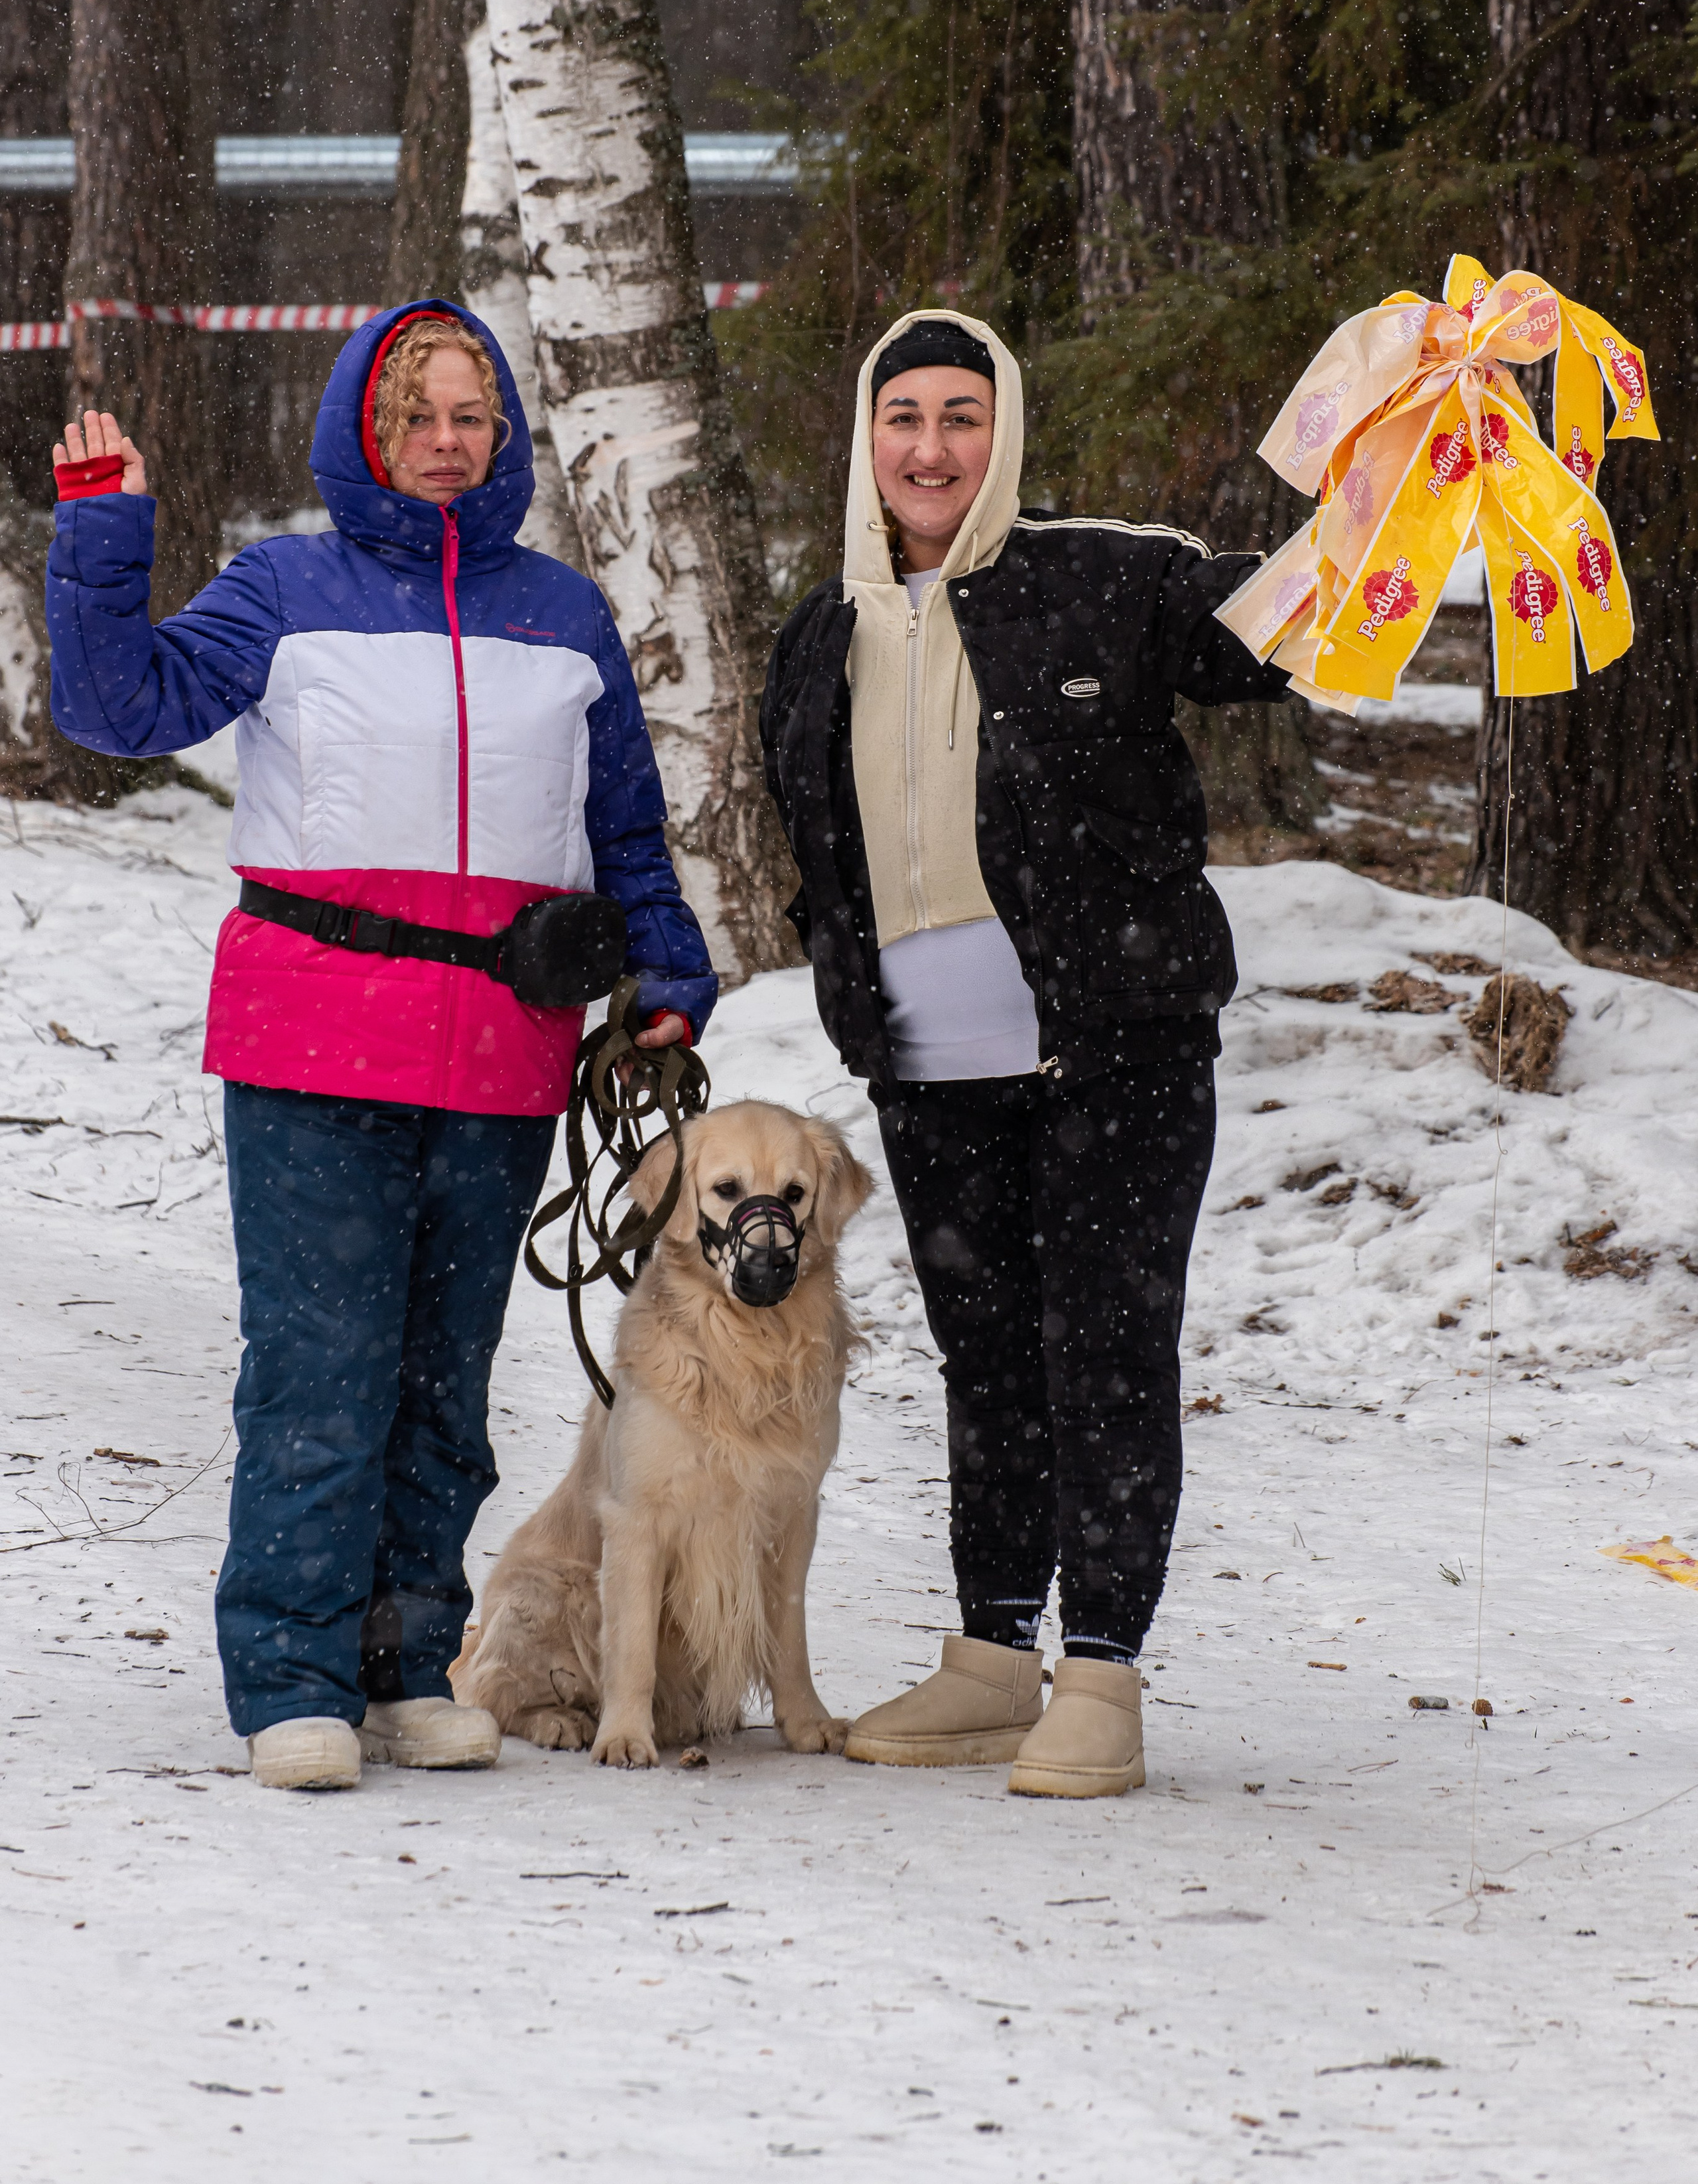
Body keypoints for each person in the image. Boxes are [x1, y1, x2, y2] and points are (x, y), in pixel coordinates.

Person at [46, 303, 716, 1792]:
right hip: (313, 1039)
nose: (443, 440)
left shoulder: (561, 611)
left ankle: (410, 1662)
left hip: (504, 1044)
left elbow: (621, 827)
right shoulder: (286, 586)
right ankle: (290, 1672)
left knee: (442, 1376)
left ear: (503, 435)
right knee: (319, 1364)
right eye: (415, 412)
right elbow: (114, 707)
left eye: (470, 415)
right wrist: (102, 541)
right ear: (363, 424)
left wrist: (665, 970)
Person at [760, 308, 1288, 1799]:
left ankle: (1102, 1675)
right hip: (927, 1066)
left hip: (1111, 1050)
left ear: (1002, 438)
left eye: (961, 417)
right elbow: (814, 841)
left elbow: (1277, 630)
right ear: (865, 437)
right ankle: (993, 1659)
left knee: (1103, 1359)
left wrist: (1394, 493)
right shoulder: (824, 628)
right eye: (904, 417)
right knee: (984, 1362)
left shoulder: (1101, 577)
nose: (931, 447)